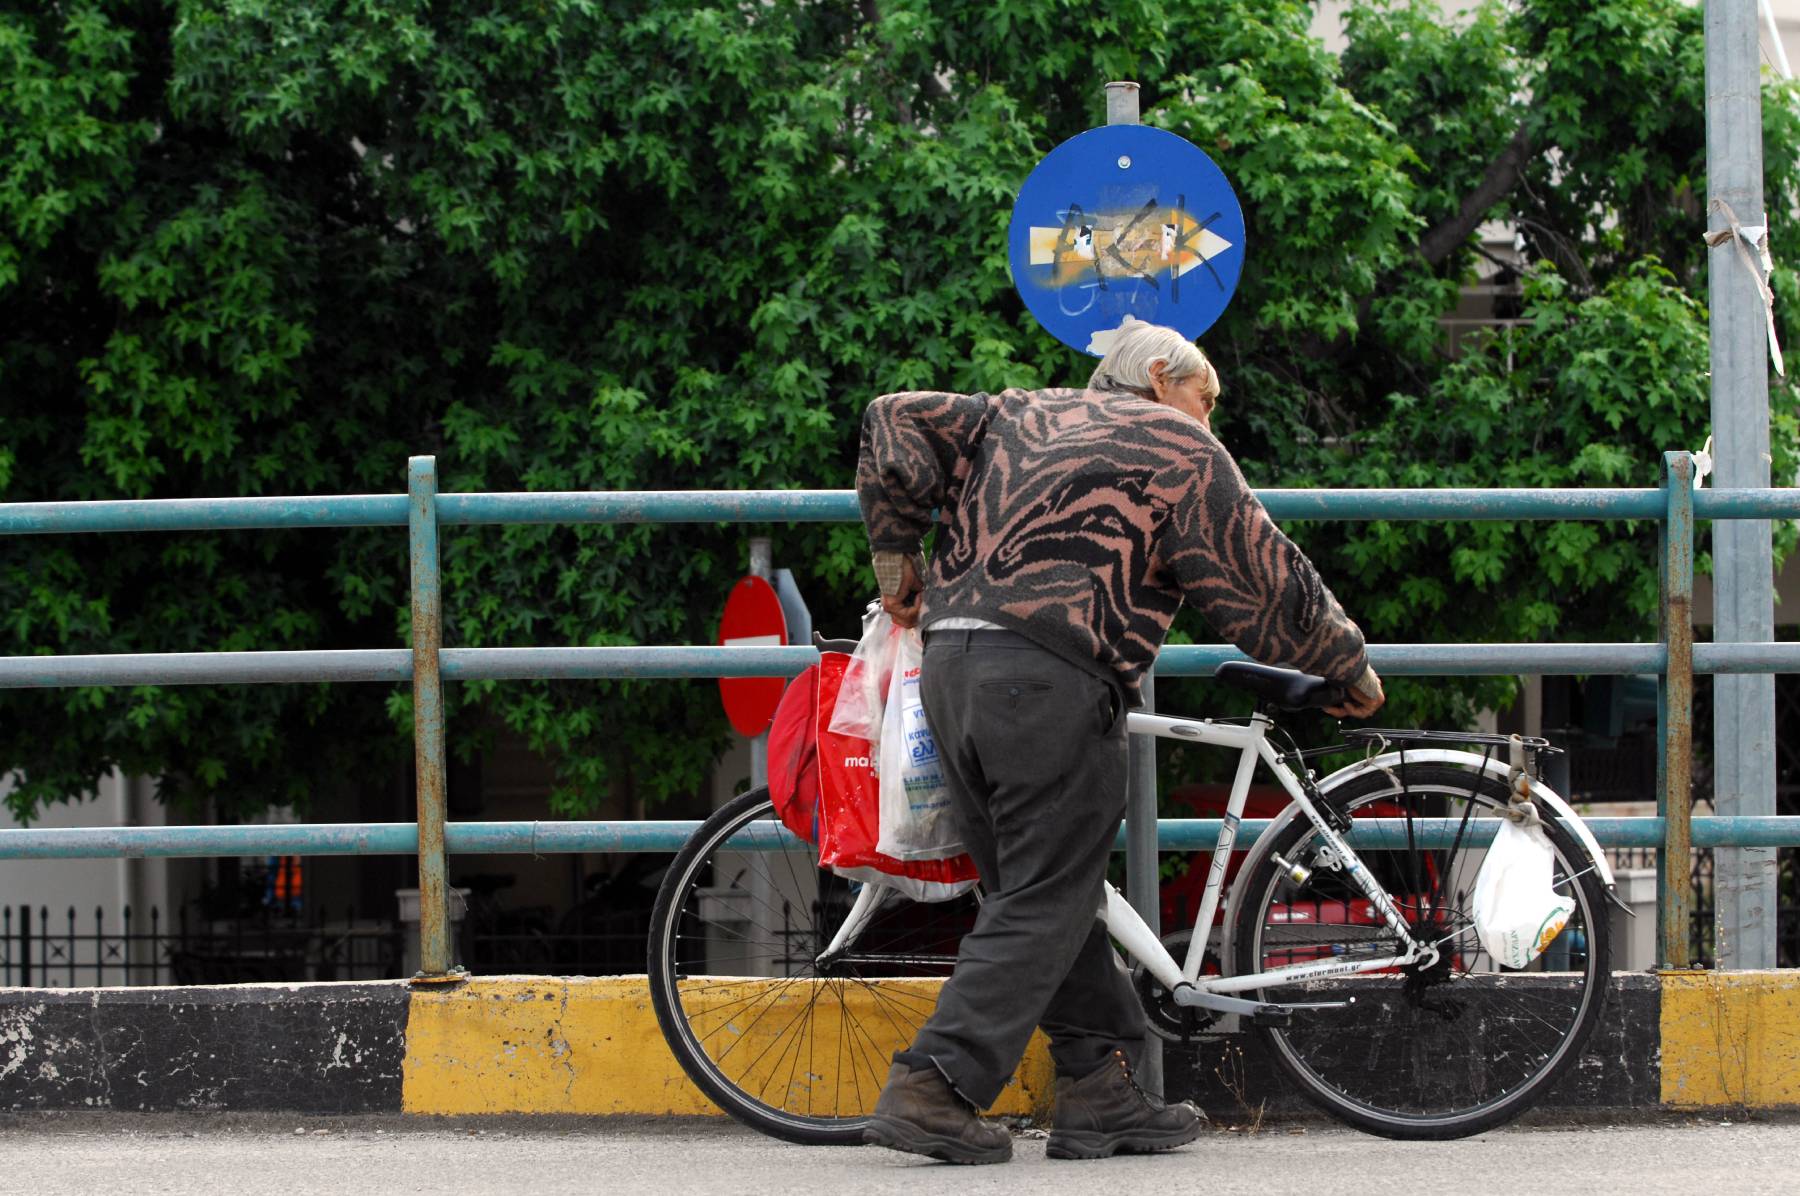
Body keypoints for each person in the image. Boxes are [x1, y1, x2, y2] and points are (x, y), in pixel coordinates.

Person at [854, 316, 1385, 1165]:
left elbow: (892, 418)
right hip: (1051, 680)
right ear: (1164, 376)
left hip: (951, 668)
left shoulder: (1015, 412)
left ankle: (1101, 1094)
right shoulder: (1178, 446)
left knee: (1043, 892)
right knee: (1045, 895)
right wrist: (1345, 665)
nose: (1208, 420)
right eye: (1205, 398)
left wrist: (896, 566)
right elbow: (1261, 575)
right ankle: (934, 1085)